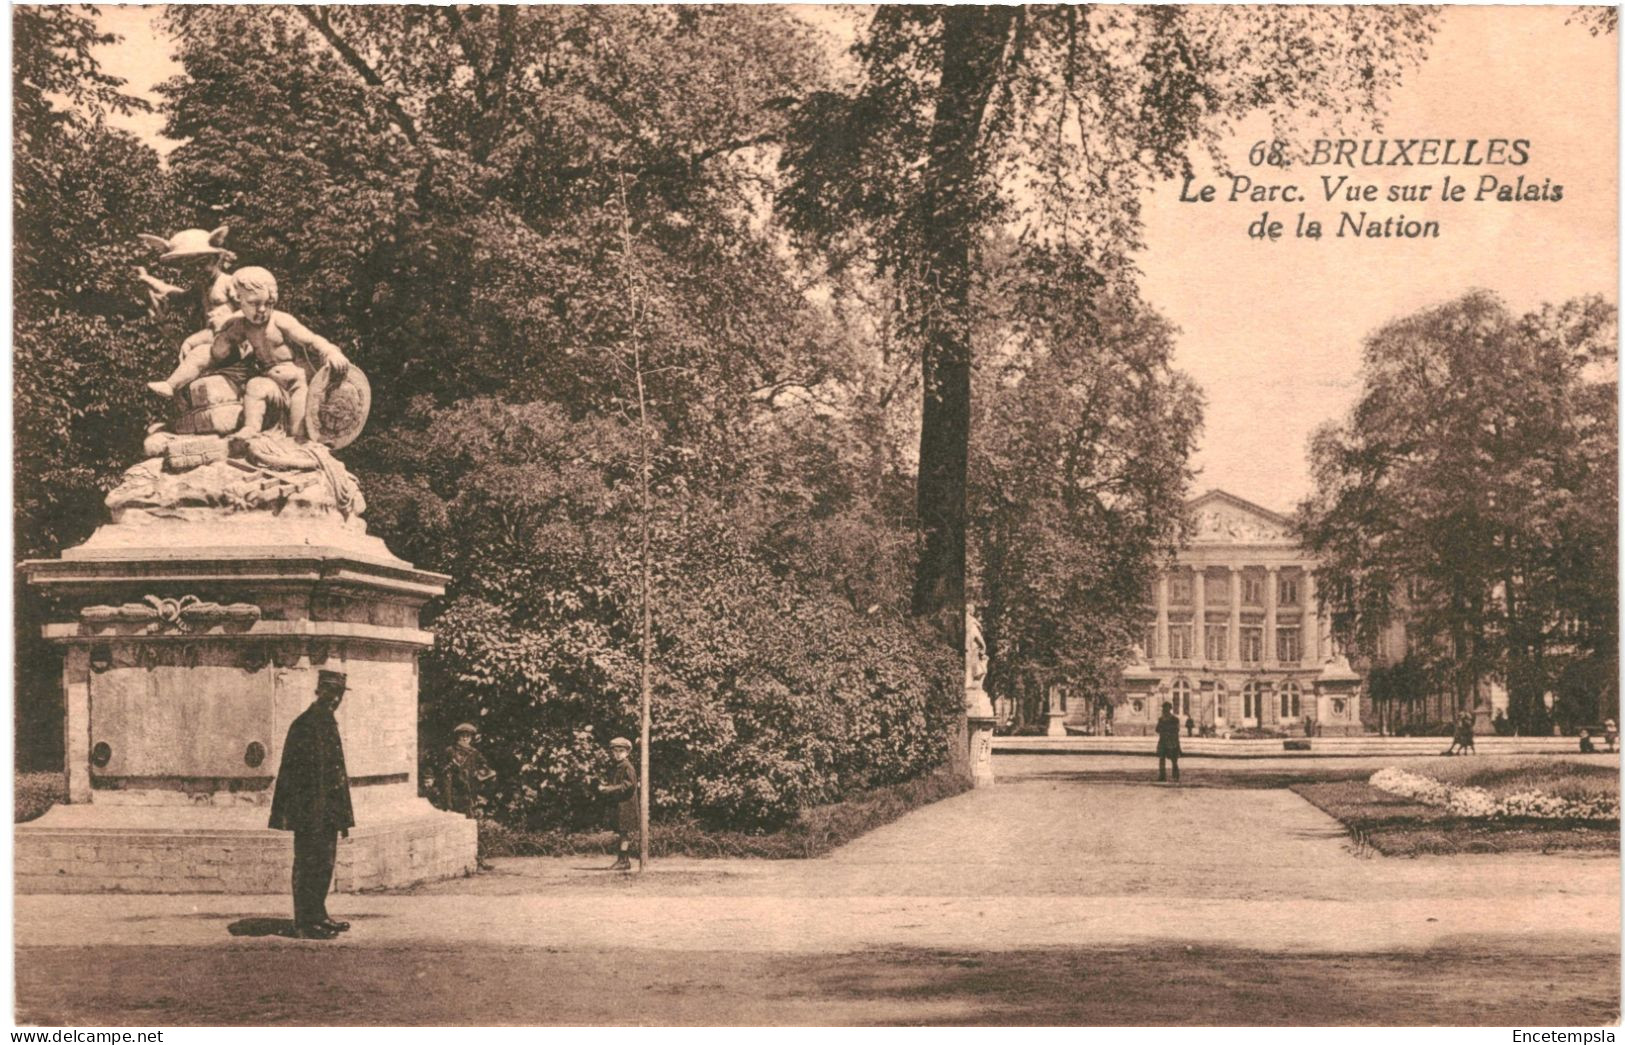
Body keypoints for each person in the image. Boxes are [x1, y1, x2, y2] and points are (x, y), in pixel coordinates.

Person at [208, 267, 351, 442]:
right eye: (254, 303)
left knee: (298, 434)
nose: (262, 310)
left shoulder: (280, 320)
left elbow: (311, 340)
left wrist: (330, 352)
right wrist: (221, 331)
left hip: (296, 384)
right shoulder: (241, 325)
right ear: (239, 300)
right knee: (254, 386)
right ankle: (250, 428)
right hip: (270, 381)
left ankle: (299, 440)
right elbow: (219, 352)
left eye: (268, 304)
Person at [269, 670, 355, 939]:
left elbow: (335, 774)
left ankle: (318, 914)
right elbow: (299, 776)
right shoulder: (306, 724)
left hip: (327, 811)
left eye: (339, 694)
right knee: (308, 863)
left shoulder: (327, 722)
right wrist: (311, 812)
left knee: (324, 863)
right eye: (331, 693)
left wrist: (340, 814)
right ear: (320, 693)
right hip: (310, 812)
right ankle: (304, 923)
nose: (335, 699)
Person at [597, 737, 639, 870]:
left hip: (626, 805)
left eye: (621, 751)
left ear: (627, 752)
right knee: (621, 833)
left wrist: (609, 789)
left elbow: (629, 785)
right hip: (619, 805)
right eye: (615, 751)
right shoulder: (617, 766)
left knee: (624, 832)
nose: (618, 753)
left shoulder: (627, 766)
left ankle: (623, 861)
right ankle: (623, 860)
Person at [439, 723, 496, 818]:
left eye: (468, 736)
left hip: (470, 789)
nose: (465, 739)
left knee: (469, 817)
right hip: (454, 789)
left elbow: (485, 767)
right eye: (462, 736)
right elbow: (443, 771)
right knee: (453, 816)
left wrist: (479, 774)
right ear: (458, 736)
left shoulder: (474, 753)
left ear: (471, 738)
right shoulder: (450, 751)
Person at [1155, 702, 1182, 783]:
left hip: (1171, 741)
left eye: (1166, 708)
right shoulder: (1162, 719)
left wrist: (1166, 730)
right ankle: (1163, 776)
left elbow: (1176, 730)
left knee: (1173, 760)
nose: (1164, 710)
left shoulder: (1174, 719)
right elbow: (1157, 729)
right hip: (1165, 741)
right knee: (1162, 759)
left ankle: (1174, 776)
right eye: (1164, 709)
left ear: (1169, 709)